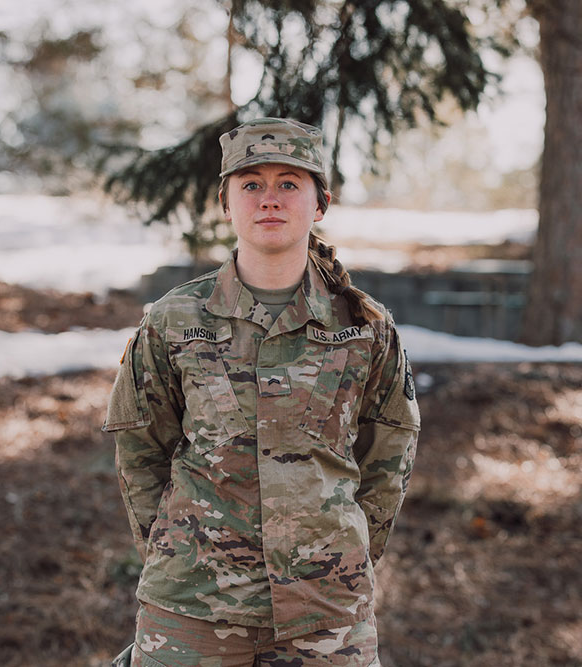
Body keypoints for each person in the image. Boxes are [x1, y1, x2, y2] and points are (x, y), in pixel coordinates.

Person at [104, 117, 420, 666]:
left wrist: (340, 553)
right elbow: (140, 450)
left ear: (319, 204)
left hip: (327, 610)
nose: (268, 199)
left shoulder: (365, 326)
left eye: (288, 183)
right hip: (193, 606)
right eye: (250, 184)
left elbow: (389, 451)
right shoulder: (174, 320)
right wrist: (177, 549)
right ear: (226, 203)